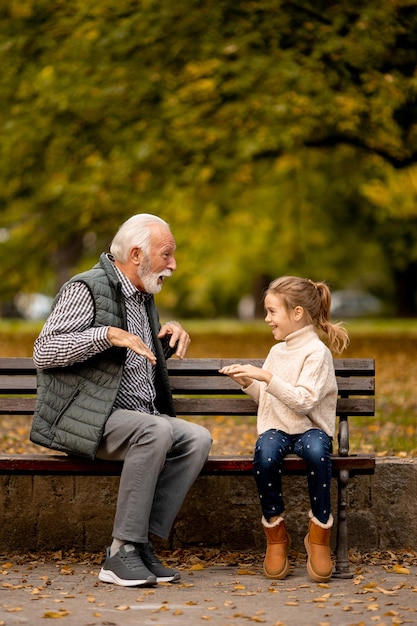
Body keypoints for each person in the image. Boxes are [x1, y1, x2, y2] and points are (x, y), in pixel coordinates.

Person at [30, 213, 212, 588]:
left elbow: (130, 360)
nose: (173, 264)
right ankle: (120, 551)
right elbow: (44, 350)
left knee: (197, 438)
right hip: (85, 418)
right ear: (136, 255)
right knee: (155, 430)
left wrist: (166, 338)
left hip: (134, 417)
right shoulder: (86, 288)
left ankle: (140, 546)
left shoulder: (143, 295)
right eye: (167, 255)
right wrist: (106, 334)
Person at [220, 276, 349, 583]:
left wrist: (265, 377)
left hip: (310, 428)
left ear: (297, 313)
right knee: (264, 455)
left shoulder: (317, 353)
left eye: (272, 311)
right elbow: (270, 398)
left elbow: (303, 402)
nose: (267, 319)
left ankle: (318, 535)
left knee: (319, 453)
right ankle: (276, 534)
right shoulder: (278, 352)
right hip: (277, 427)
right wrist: (249, 383)